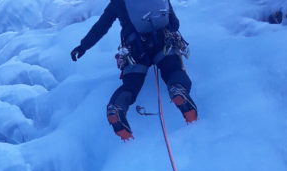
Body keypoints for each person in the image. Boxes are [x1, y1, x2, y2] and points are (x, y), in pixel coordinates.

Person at [70, 0, 197, 140]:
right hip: (163, 43)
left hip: (135, 49)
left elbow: (101, 26)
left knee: (131, 84)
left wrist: (83, 47)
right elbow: (174, 24)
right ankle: (177, 89)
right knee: (173, 70)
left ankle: (117, 107)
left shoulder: (118, 2)